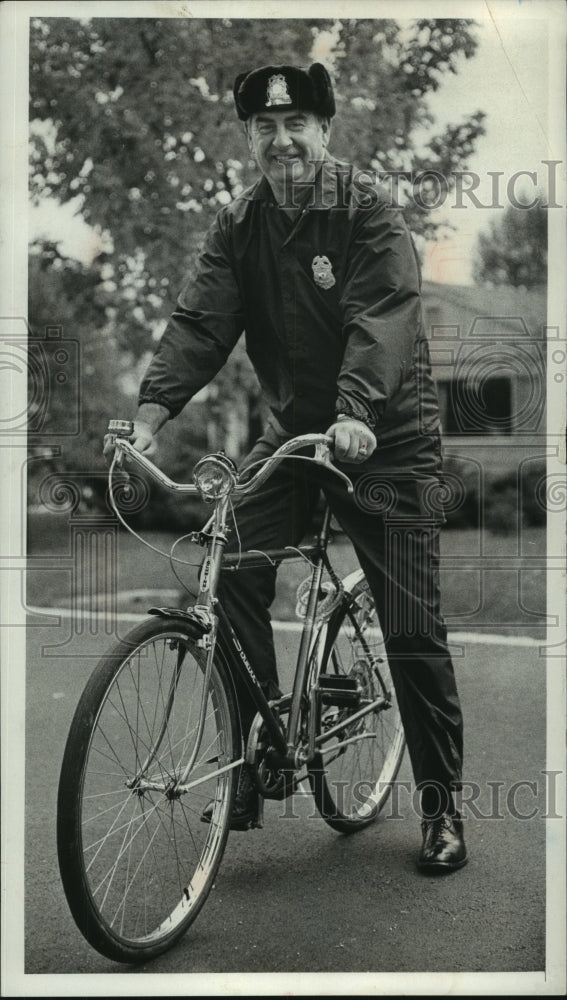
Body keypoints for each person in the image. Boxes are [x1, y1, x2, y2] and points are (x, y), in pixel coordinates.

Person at [108, 62, 467, 872]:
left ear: (325, 130)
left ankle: (443, 811)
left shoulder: (368, 210)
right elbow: (201, 322)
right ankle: (255, 753)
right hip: (297, 433)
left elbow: (381, 314)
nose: (281, 141)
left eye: (296, 124)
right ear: (248, 138)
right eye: (264, 129)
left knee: (412, 628)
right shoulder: (239, 224)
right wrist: (149, 416)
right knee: (231, 560)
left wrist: (355, 412)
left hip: (386, 439)